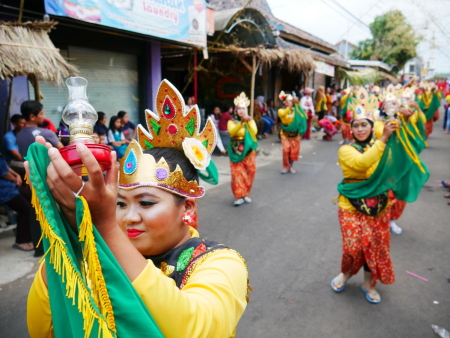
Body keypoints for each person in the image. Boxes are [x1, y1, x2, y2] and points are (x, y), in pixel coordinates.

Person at [26, 79, 249, 337]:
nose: (128, 218)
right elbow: (43, 329)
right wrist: (69, 235)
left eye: (146, 202)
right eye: (119, 203)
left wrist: (105, 227)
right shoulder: (95, 258)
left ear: (186, 206)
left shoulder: (220, 262)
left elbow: (196, 328)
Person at [331, 88, 399, 304]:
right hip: (350, 204)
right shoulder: (346, 150)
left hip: (378, 205)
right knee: (353, 247)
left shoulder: (381, 147)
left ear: (372, 127)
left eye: (364, 125)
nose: (360, 129)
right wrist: (383, 139)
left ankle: (369, 283)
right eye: (356, 125)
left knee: (375, 245)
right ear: (351, 129)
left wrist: (395, 119)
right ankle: (347, 273)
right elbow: (362, 163)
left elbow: (392, 166)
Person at [228, 92, 258, 206]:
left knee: (250, 172)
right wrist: (241, 123)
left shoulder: (250, 121)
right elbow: (232, 132)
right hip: (236, 150)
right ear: (235, 110)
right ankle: (239, 195)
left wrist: (249, 122)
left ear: (246, 110)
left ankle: (245, 194)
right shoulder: (231, 122)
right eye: (239, 108)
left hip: (249, 151)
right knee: (237, 174)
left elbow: (254, 132)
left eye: (243, 108)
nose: (241, 111)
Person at [0, 154, 34, 252]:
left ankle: (32, 235)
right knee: (25, 210)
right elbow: (4, 173)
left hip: (11, 186)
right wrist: (15, 179)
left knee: (32, 198)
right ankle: (21, 241)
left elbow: (5, 166)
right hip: (5, 190)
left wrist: (16, 175)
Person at [277, 91, 305, 174]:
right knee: (286, 151)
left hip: (295, 134)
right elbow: (283, 115)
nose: (291, 102)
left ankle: (290, 167)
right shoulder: (281, 111)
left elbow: (302, 116)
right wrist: (289, 107)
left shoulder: (295, 110)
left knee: (293, 151)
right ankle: (285, 166)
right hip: (285, 134)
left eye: (291, 101)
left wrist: (297, 104)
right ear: (285, 103)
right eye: (289, 101)